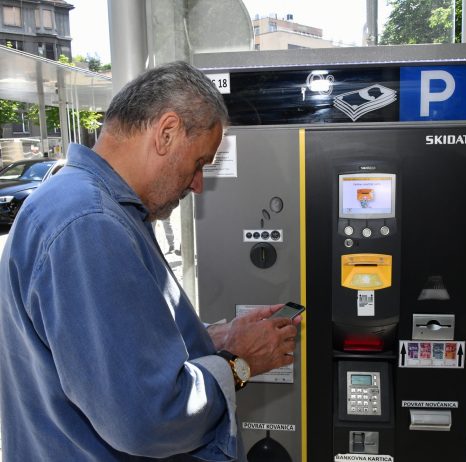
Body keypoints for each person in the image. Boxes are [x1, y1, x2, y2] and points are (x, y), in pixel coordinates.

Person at [0, 62, 300, 461]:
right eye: (199, 163)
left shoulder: (77, 203)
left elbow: (106, 352)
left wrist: (216, 339)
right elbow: (147, 419)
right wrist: (240, 363)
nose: (198, 184)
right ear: (167, 132)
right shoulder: (91, 223)